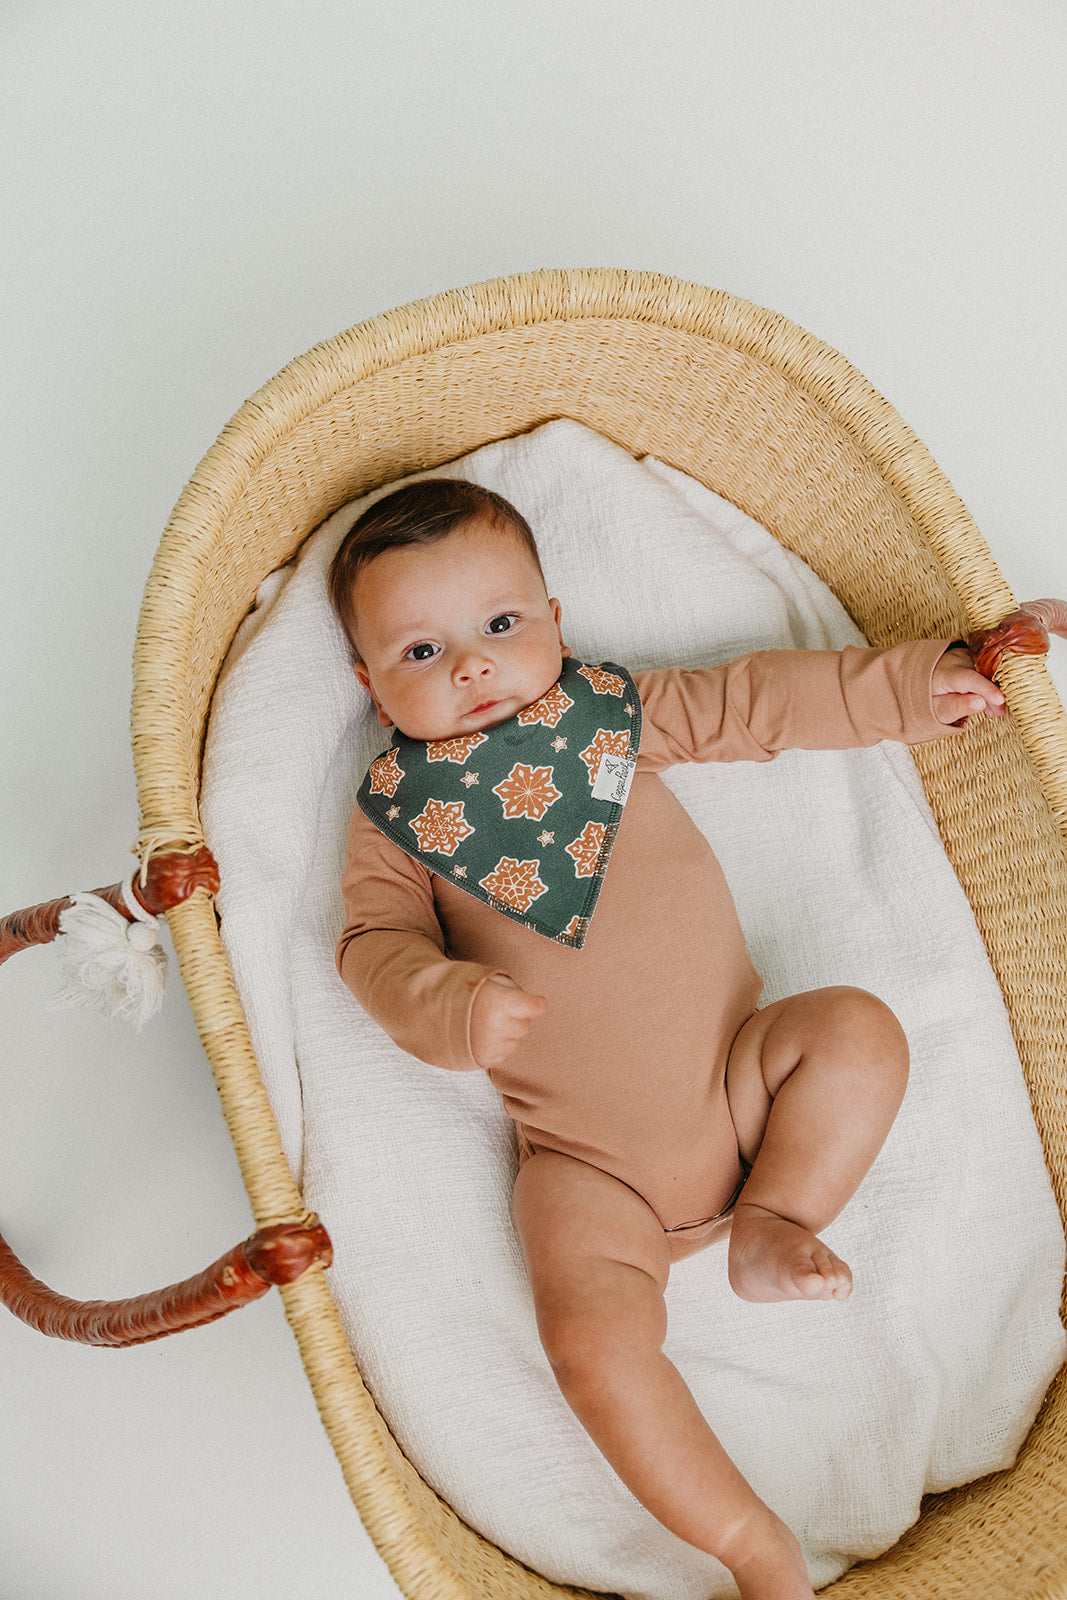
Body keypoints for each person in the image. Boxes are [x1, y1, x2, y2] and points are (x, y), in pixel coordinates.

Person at [329, 478, 1006, 1600]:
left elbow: (757, 704)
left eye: (498, 627)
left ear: (552, 615)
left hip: (744, 1082)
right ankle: (748, 1545)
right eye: (419, 651)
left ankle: (775, 1215)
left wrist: (904, 687)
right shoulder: (397, 813)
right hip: (586, 1174)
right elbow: (370, 944)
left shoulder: (608, 719)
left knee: (855, 1030)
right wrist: (449, 1005)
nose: (470, 667)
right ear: (367, 683)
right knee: (592, 1345)